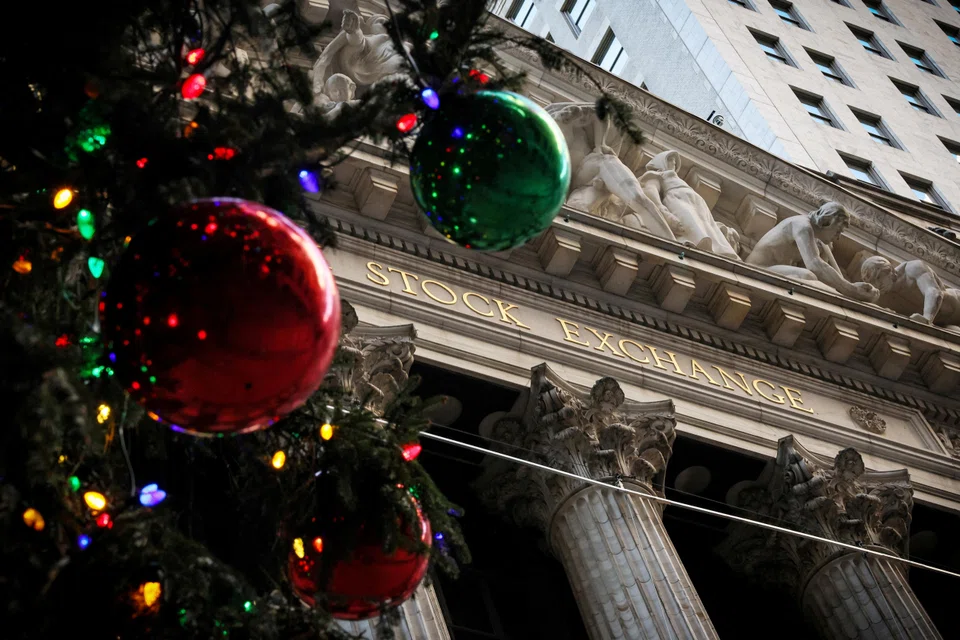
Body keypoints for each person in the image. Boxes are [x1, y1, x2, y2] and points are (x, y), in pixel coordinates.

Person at [745, 202, 879, 302]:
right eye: (837, 231)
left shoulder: (812, 236)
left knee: (810, 278)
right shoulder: (802, 226)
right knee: (807, 276)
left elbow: (821, 268)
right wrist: (851, 289)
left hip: (774, 271)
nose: (837, 237)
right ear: (826, 222)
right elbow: (815, 265)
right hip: (757, 269)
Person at [640, 150, 741, 261]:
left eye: (674, 160)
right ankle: (693, 246)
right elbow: (650, 189)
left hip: (697, 204)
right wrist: (661, 208)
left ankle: (719, 251)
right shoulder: (657, 174)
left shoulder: (677, 178)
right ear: (660, 162)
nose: (673, 162)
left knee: (706, 225)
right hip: (677, 200)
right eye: (669, 159)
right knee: (689, 220)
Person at [860, 256, 960, 329]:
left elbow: (933, 291)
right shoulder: (884, 296)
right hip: (945, 325)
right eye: (873, 282)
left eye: (878, 278)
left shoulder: (912, 268)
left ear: (888, 270)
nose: (877, 284)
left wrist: (927, 319)